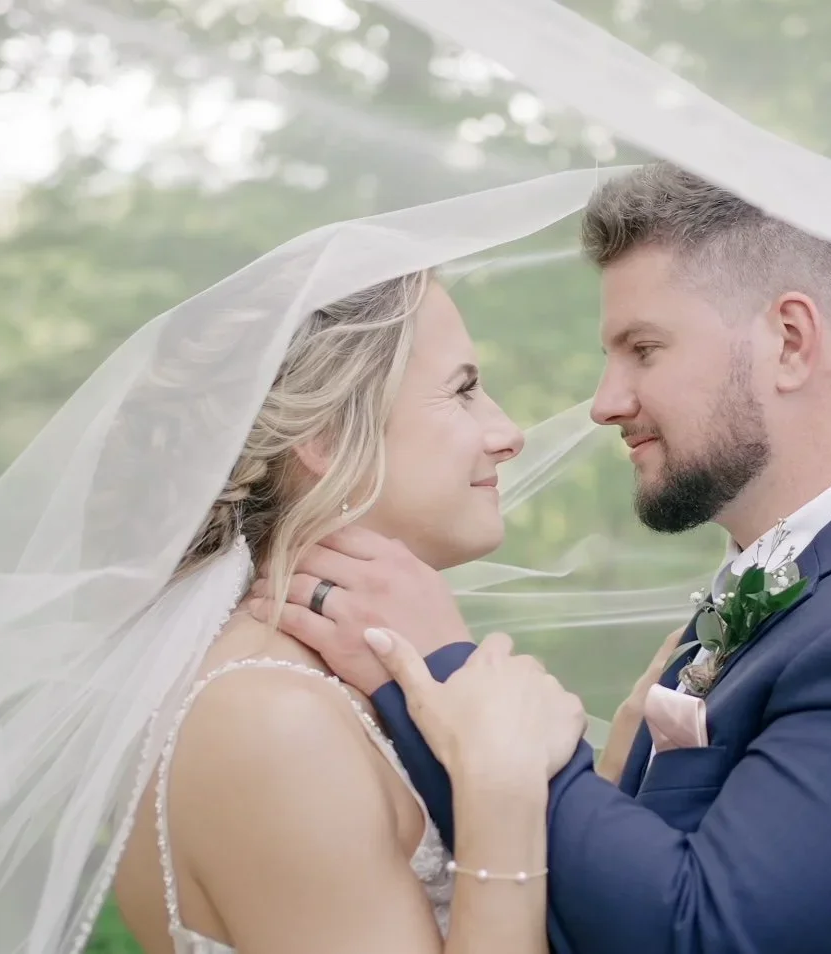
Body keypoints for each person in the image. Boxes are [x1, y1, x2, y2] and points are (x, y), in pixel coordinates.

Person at [258, 162, 831, 953]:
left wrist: (441, 675)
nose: (604, 403)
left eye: (645, 349)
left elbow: (706, 932)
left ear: (789, 340)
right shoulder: (803, 589)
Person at [102, 270, 589, 954]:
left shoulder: (339, 678)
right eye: (463, 390)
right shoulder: (269, 718)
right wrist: (502, 792)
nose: (508, 433)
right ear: (325, 438)